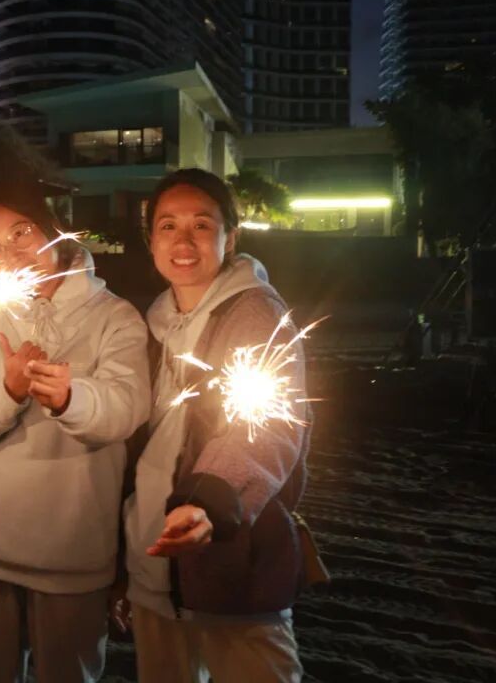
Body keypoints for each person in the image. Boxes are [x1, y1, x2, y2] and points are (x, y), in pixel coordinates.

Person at [0, 191, 150, 683]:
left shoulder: (114, 316)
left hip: (72, 549)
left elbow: (127, 409)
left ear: (54, 229)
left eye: (21, 233)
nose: (11, 253)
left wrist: (70, 398)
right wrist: (9, 393)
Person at [118, 168, 309, 683]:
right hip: (152, 563)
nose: (183, 241)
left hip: (231, 564)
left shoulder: (256, 316)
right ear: (150, 240)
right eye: (168, 226)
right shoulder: (152, 323)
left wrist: (208, 502)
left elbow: (267, 427)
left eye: (201, 225)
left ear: (231, 237)